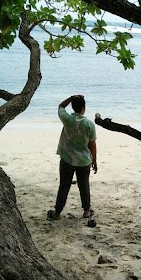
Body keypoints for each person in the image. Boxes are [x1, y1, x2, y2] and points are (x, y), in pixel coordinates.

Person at [47, 94, 97, 224]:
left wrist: (70, 98)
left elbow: (60, 106)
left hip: (67, 159)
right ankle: (86, 211)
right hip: (84, 160)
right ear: (84, 108)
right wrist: (95, 160)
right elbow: (92, 144)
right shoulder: (89, 124)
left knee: (64, 186)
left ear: (73, 107)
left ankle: (57, 213)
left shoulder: (67, 119)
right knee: (84, 186)